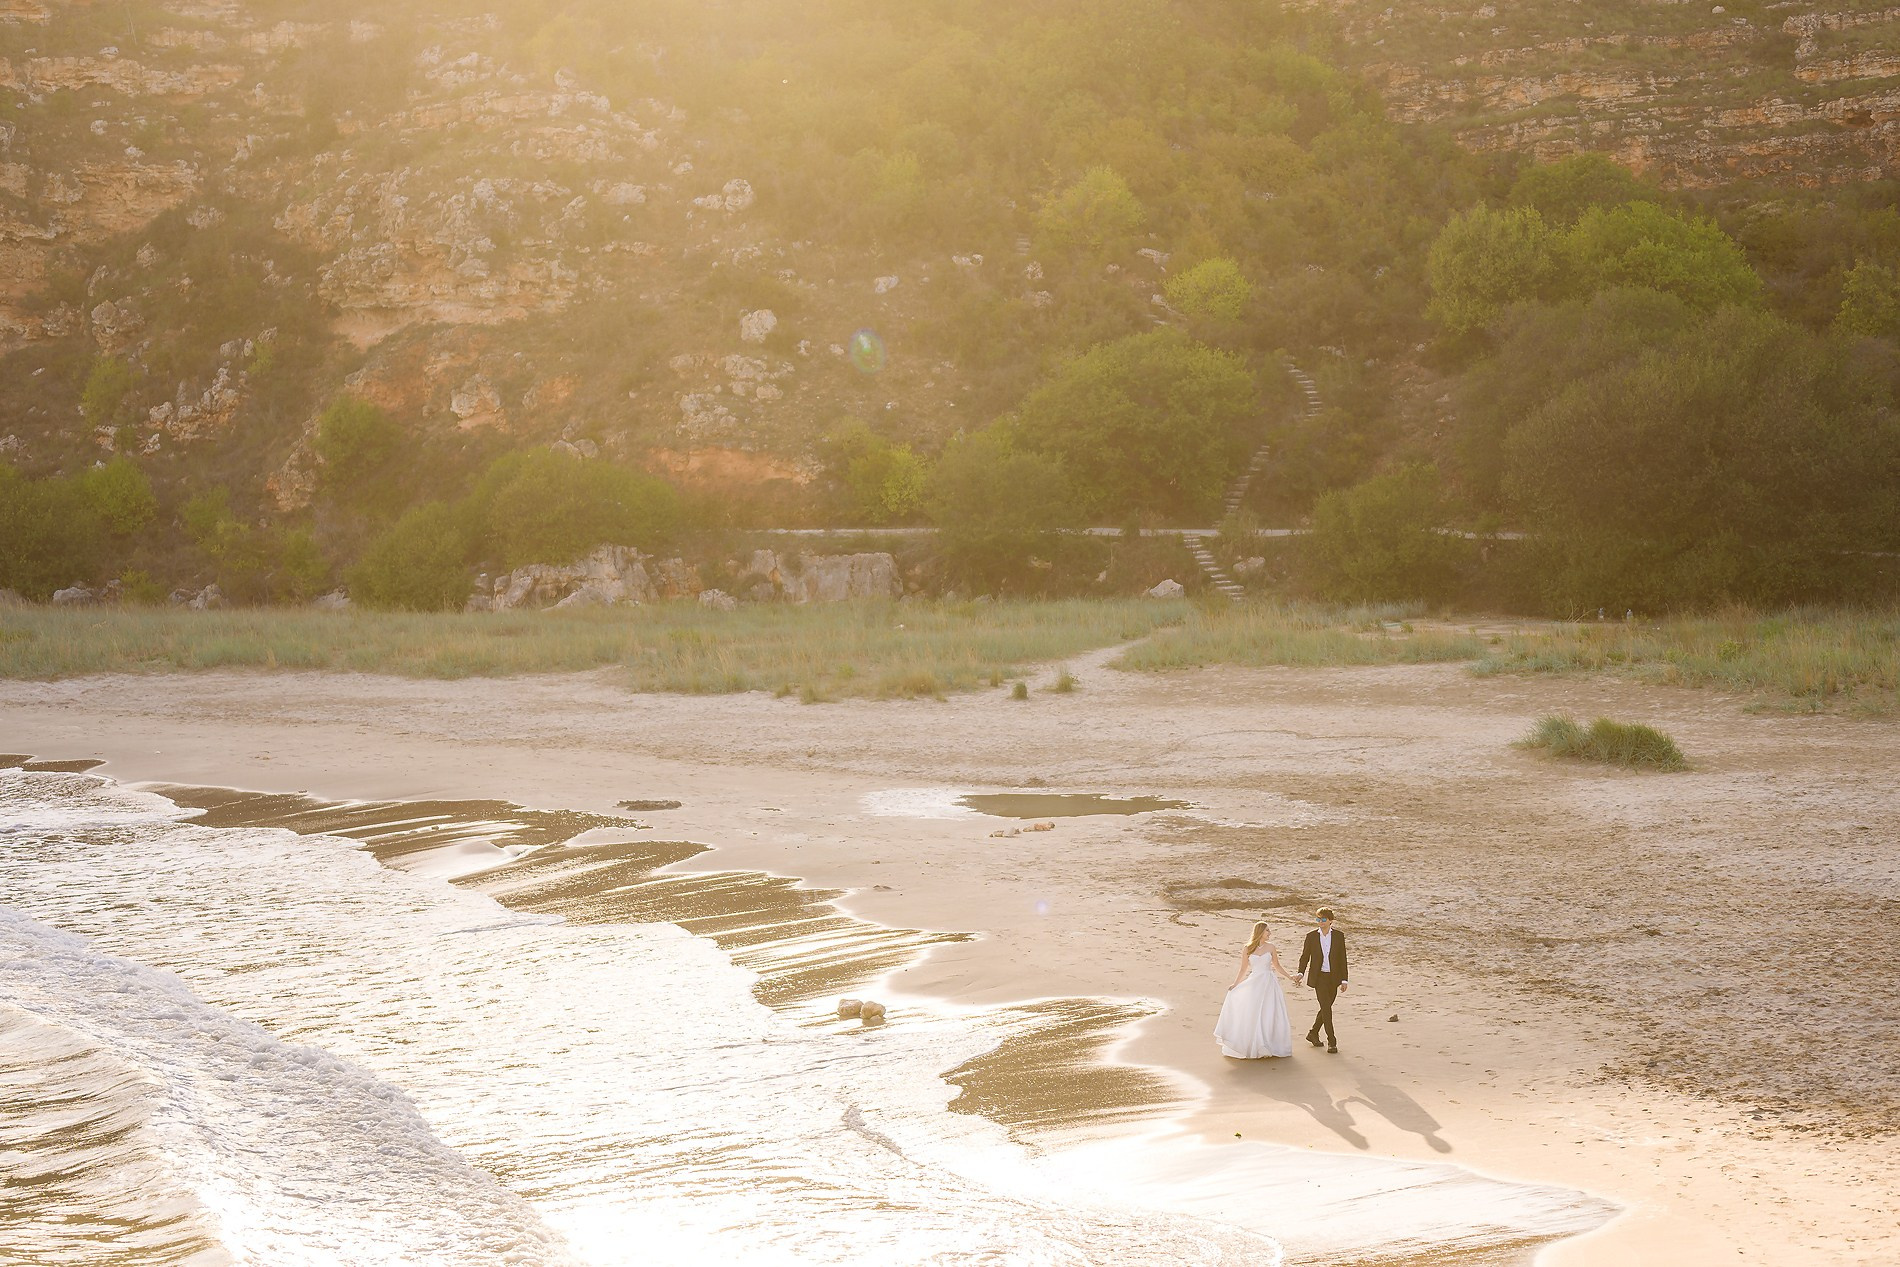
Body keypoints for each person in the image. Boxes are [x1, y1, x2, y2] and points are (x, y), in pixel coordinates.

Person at [1213, 920, 1295, 1059]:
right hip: (1255, 983)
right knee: (1254, 1013)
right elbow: (1243, 968)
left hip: (1269, 984)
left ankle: (1268, 1045)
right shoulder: (1248, 948)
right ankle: (1254, 1046)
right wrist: (1235, 984)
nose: (1270, 933)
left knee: (1268, 1013)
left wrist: (1289, 976)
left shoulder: (1271, 947)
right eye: (1267, 930)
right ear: (1260, 932)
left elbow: (1277, 965)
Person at [1294, 907, 1348, 1053]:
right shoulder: (1311, 936)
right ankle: (1332, 1041)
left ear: (1331, 921)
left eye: (1323, 919)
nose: (1320, 922)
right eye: (1318, 919)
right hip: (1319, 978)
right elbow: (1305, 957)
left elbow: (1342, 959)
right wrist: (1300, 973)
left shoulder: (1338, 936)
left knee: (1326, 1008)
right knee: (1326, 1009)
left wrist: (1344, 980)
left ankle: (1313, 1033)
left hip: (1334, 978)